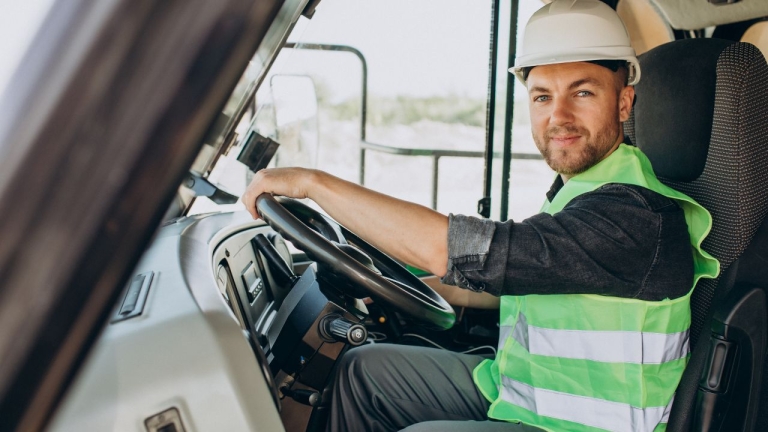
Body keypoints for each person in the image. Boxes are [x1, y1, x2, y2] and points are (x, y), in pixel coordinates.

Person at [242, 0, 720, 430]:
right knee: (363, 370)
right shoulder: (584, 192)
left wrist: (312, 184)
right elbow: (514, 275)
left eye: (583, 93)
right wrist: (404, 291)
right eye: (542, 96)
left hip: (582, 424)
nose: (558, 116)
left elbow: (457, 248)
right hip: (521, 389)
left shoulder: (635, 215)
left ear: (623, 101)